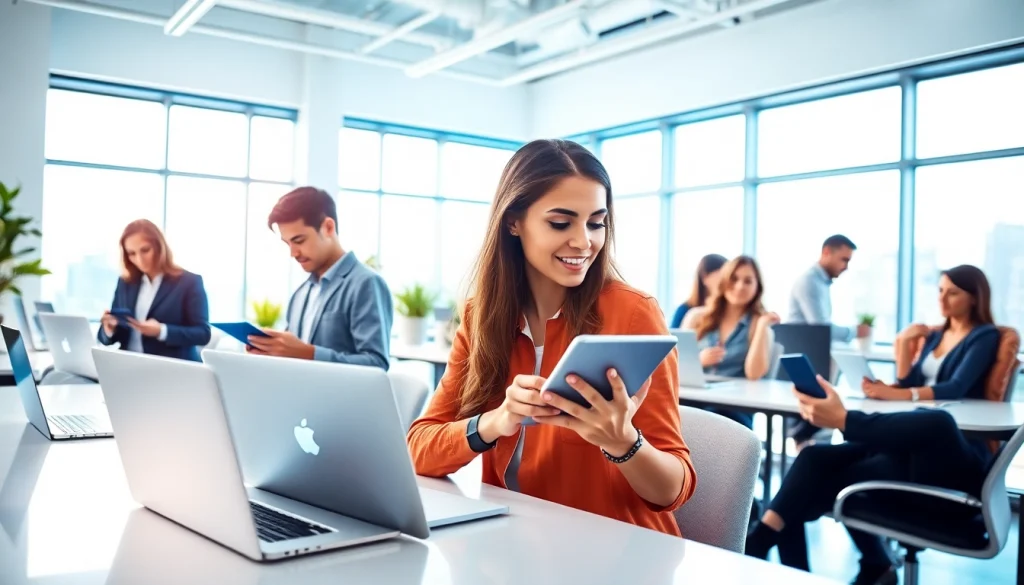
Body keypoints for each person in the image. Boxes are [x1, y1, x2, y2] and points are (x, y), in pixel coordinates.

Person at [406, 139, 696, 537]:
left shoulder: (633, 313)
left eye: (596, 223)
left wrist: (624, 442)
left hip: (619, 547)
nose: (584, 241)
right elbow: (418, 449)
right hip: (513, 542)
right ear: (513, 222)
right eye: (561, 223)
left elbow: (673, 489)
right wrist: (496, 421)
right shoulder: (481, 317)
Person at [746, 264, 1000, 585]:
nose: (942, 299)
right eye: (940, 291)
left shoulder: (985, 336)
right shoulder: (935, 336)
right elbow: (909, 382)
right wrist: (902, 347)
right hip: (907, 442)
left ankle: (765, 542)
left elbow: (955, 387)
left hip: (948, 452)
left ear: (975, 298)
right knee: (811, 458)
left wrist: (898, 394)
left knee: (934, 422)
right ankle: (771, 543)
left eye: (953, 293)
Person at [248, 186, 393, 369]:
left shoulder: (366, 284)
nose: (293, 253)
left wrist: (307, 353)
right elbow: (292, 360)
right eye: (288, 243)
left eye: (299, 241)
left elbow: (376, 364)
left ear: (328, 227)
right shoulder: (300, 293)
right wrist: (271, 351)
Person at [681, 255, 778, 428]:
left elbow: (754, 374)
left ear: (757, 288)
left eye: (748, 281)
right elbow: (673, 365)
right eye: (734, 279)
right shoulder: (696, 317)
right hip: (694, 401)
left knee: (708, 423)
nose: (740, 286)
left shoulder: (759, 326)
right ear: (724, 281)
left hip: (735, 409)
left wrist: (762, 327)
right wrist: (698, 360)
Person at [98, 219, 211, 362]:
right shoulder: (125, 283)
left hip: (172, 368)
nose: (139, 260)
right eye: (131, 253)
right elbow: (108, 338)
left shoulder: (189, 282)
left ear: (159, 247)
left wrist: (161, 331)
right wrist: (109, 328)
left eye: (145, 250)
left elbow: (203, 334)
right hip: (129, 366)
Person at [788, 234, 871, 343]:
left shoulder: (821, 282)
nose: (846, 267)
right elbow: (821, 328)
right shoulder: (810, 281)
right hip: (801, 350)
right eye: (844, 260)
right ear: (826, 252)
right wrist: (854, 332)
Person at [669, 253, 726, 328]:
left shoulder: (729, 311)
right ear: (705, 277)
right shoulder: (684, 310)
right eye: (722, 275)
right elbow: (674, 334)